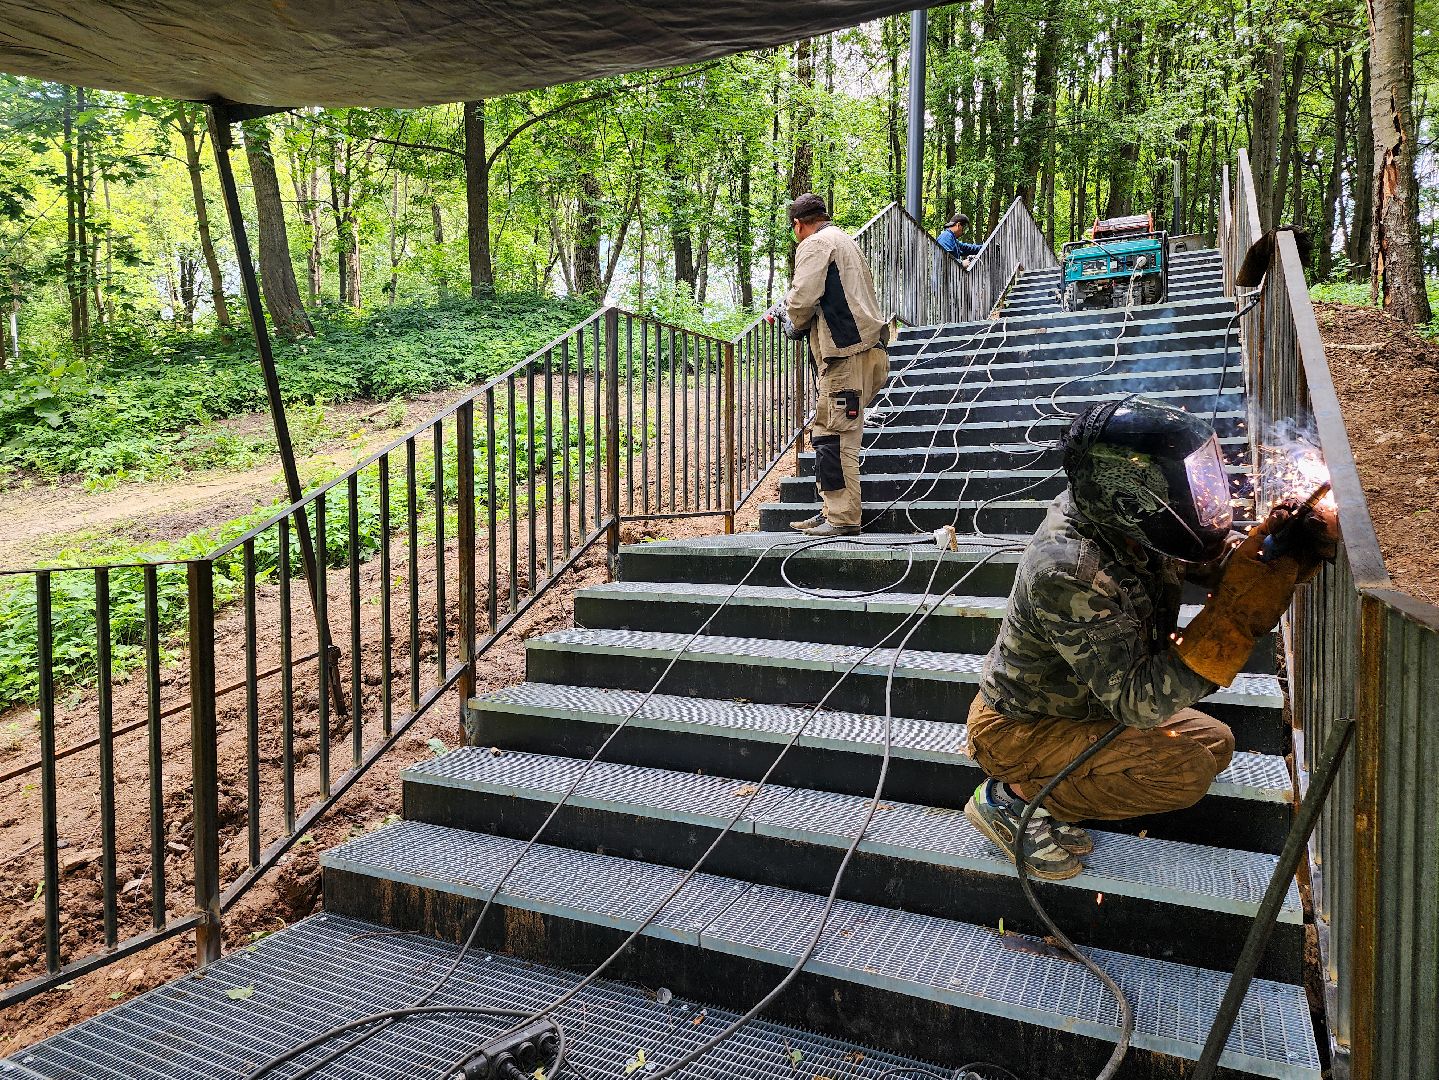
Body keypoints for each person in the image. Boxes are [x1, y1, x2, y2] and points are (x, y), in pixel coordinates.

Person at [963, 396, 1335, 880]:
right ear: (1133, 496)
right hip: (1022, 728)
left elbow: (1213, 563)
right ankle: (1008, 800)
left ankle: (1045, 794)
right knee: (1183, 771)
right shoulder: (1067, 570)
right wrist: (1232, 622)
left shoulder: (1127, 521)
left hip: (1088, 707)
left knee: (1216, 743)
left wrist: (1273, 550)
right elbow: (1140, 702)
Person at [780, 193, 891, 538]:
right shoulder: (846, 241)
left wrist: (791, 322)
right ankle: (832, 508)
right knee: (830, 433)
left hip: (845, 357)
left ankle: (842, 518)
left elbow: (802, 298)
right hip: (869, 352)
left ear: (799, 225)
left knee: (836, 438)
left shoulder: (814, 245)